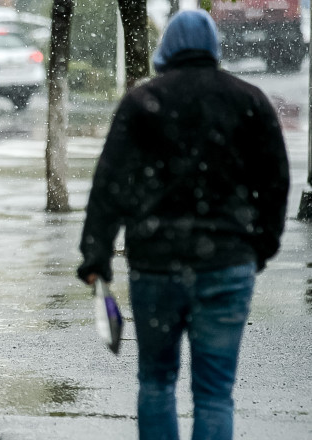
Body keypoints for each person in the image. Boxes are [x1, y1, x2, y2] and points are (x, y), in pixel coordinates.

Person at [77, 10, 289, 440]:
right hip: (228, 265)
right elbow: (275, 183)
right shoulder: (249, 101)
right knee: (214, 393)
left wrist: (96, 254)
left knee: (156, 382)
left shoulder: (142, 103)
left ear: (167, 48)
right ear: (214, 47)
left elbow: (109, 184)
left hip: (156, 266)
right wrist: (260, 246)